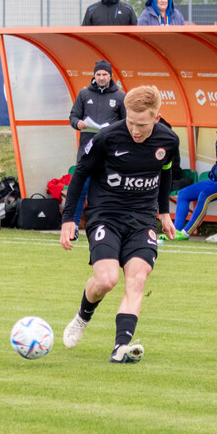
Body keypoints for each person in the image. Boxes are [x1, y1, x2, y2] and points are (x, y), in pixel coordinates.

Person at [60, 85, 179, 364]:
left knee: (136, 280)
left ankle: (121, 348)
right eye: (130, 122)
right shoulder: (107, 138)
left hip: (142, 219)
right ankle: (82, 317)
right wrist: (69, 220)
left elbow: (165, 174)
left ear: (156, 118)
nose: (135, 130)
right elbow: (80, 174)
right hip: (106, 215)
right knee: (106, 280)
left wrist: (163, 213)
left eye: (142, 124)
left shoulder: (168, 141)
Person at [66, 59, 126, 232]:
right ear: (94, 75)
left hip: (109, 151)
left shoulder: (120, 96)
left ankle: (107, 227)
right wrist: (78, 123)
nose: (101, 77)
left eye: (104, 74)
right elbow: (73, 116)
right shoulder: (84, 94)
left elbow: (125, 123)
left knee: (108, 190)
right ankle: (74, 227)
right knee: (81, 188)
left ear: (110, 76)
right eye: (98, 74)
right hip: (87, 148)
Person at [174, 109, 217, 239]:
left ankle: (186, 232)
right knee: (183, 194)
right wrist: (214, 173)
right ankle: (175, 231)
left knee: (205, 195)